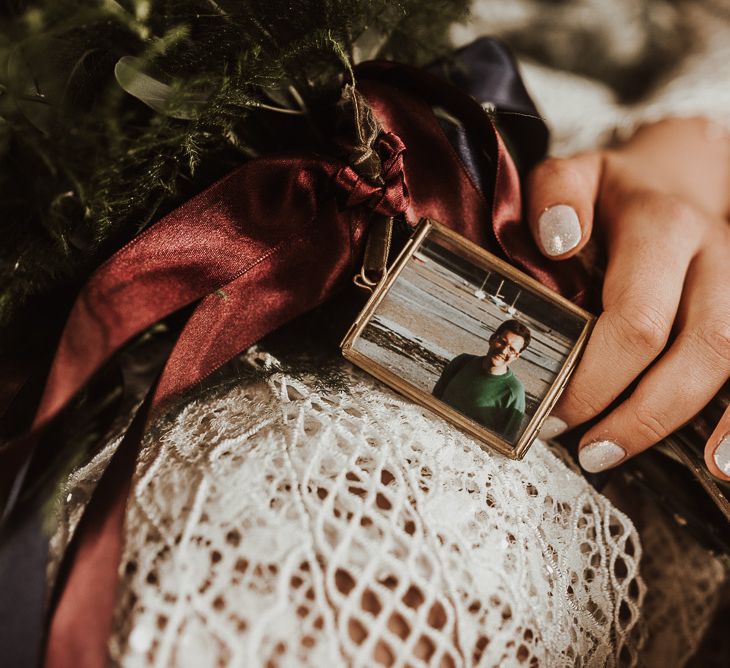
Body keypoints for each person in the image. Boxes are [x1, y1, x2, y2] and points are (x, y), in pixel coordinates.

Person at [432, 319, 530, 441]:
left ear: (516, 356)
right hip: (432, 431)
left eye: (512, 349)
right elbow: (433, 399)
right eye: (502, 342)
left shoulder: (514, 391)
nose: (504, 351)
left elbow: (506, 441)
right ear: (492, 338)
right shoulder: (461, 362)